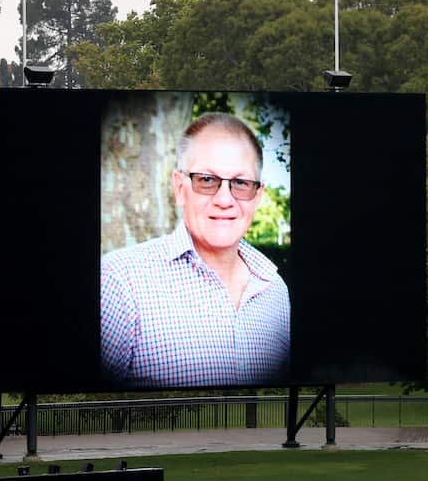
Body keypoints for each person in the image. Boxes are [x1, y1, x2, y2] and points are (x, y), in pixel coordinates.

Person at [101, 112, 291, 387]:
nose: (224, 199)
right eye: (206, 180)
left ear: (258, 196)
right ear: (180, 187)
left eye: (240, 183)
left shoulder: (275, 289)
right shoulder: (119, 282)